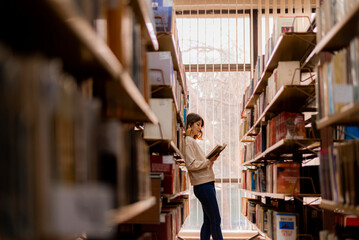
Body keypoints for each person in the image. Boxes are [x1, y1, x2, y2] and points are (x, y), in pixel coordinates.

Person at [184, 112, 224, 240]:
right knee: (216, 219)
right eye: (198, 124)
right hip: (203, 186)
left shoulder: (191, 142)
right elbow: (191, 165)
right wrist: (208, 161)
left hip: (206, 184)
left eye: (201, 125)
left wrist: (211, 161)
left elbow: (200, 166)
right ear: (190, 124)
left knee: (208, 221)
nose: (200, 128)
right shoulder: (188, 141)